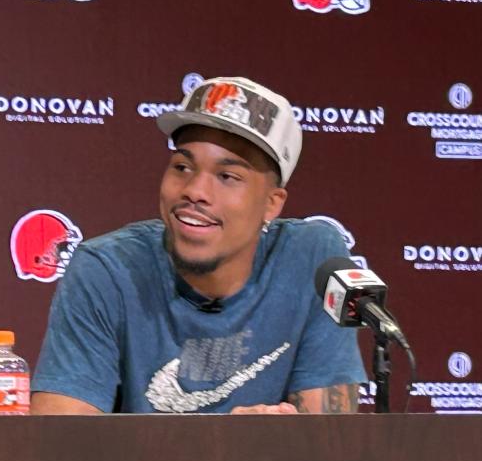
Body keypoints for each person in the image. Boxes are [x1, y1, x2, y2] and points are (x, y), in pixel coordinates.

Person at [31, 76, 366, 415]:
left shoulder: (313, 259)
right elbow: (60, 448)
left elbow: (333, 445)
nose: (194, 191)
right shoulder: (106, 271)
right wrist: (222, 452)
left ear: (272, 204)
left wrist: (263, 452)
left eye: (227, 176)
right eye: (182, 167)